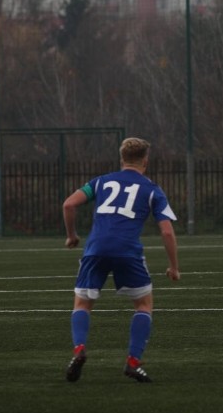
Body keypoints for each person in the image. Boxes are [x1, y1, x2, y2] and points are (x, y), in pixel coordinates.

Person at [62, 137, 181, 384]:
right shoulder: (152, 189)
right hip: (127, 251)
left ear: (121, 160)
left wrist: (72, 235)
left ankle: (79, 349)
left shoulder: (101, 182)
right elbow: (167, 231)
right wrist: (174, 266)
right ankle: (133, 361)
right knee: (143, 305)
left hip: (95, 249)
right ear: (145, 161)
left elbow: (69, 204)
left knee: (82, 305)